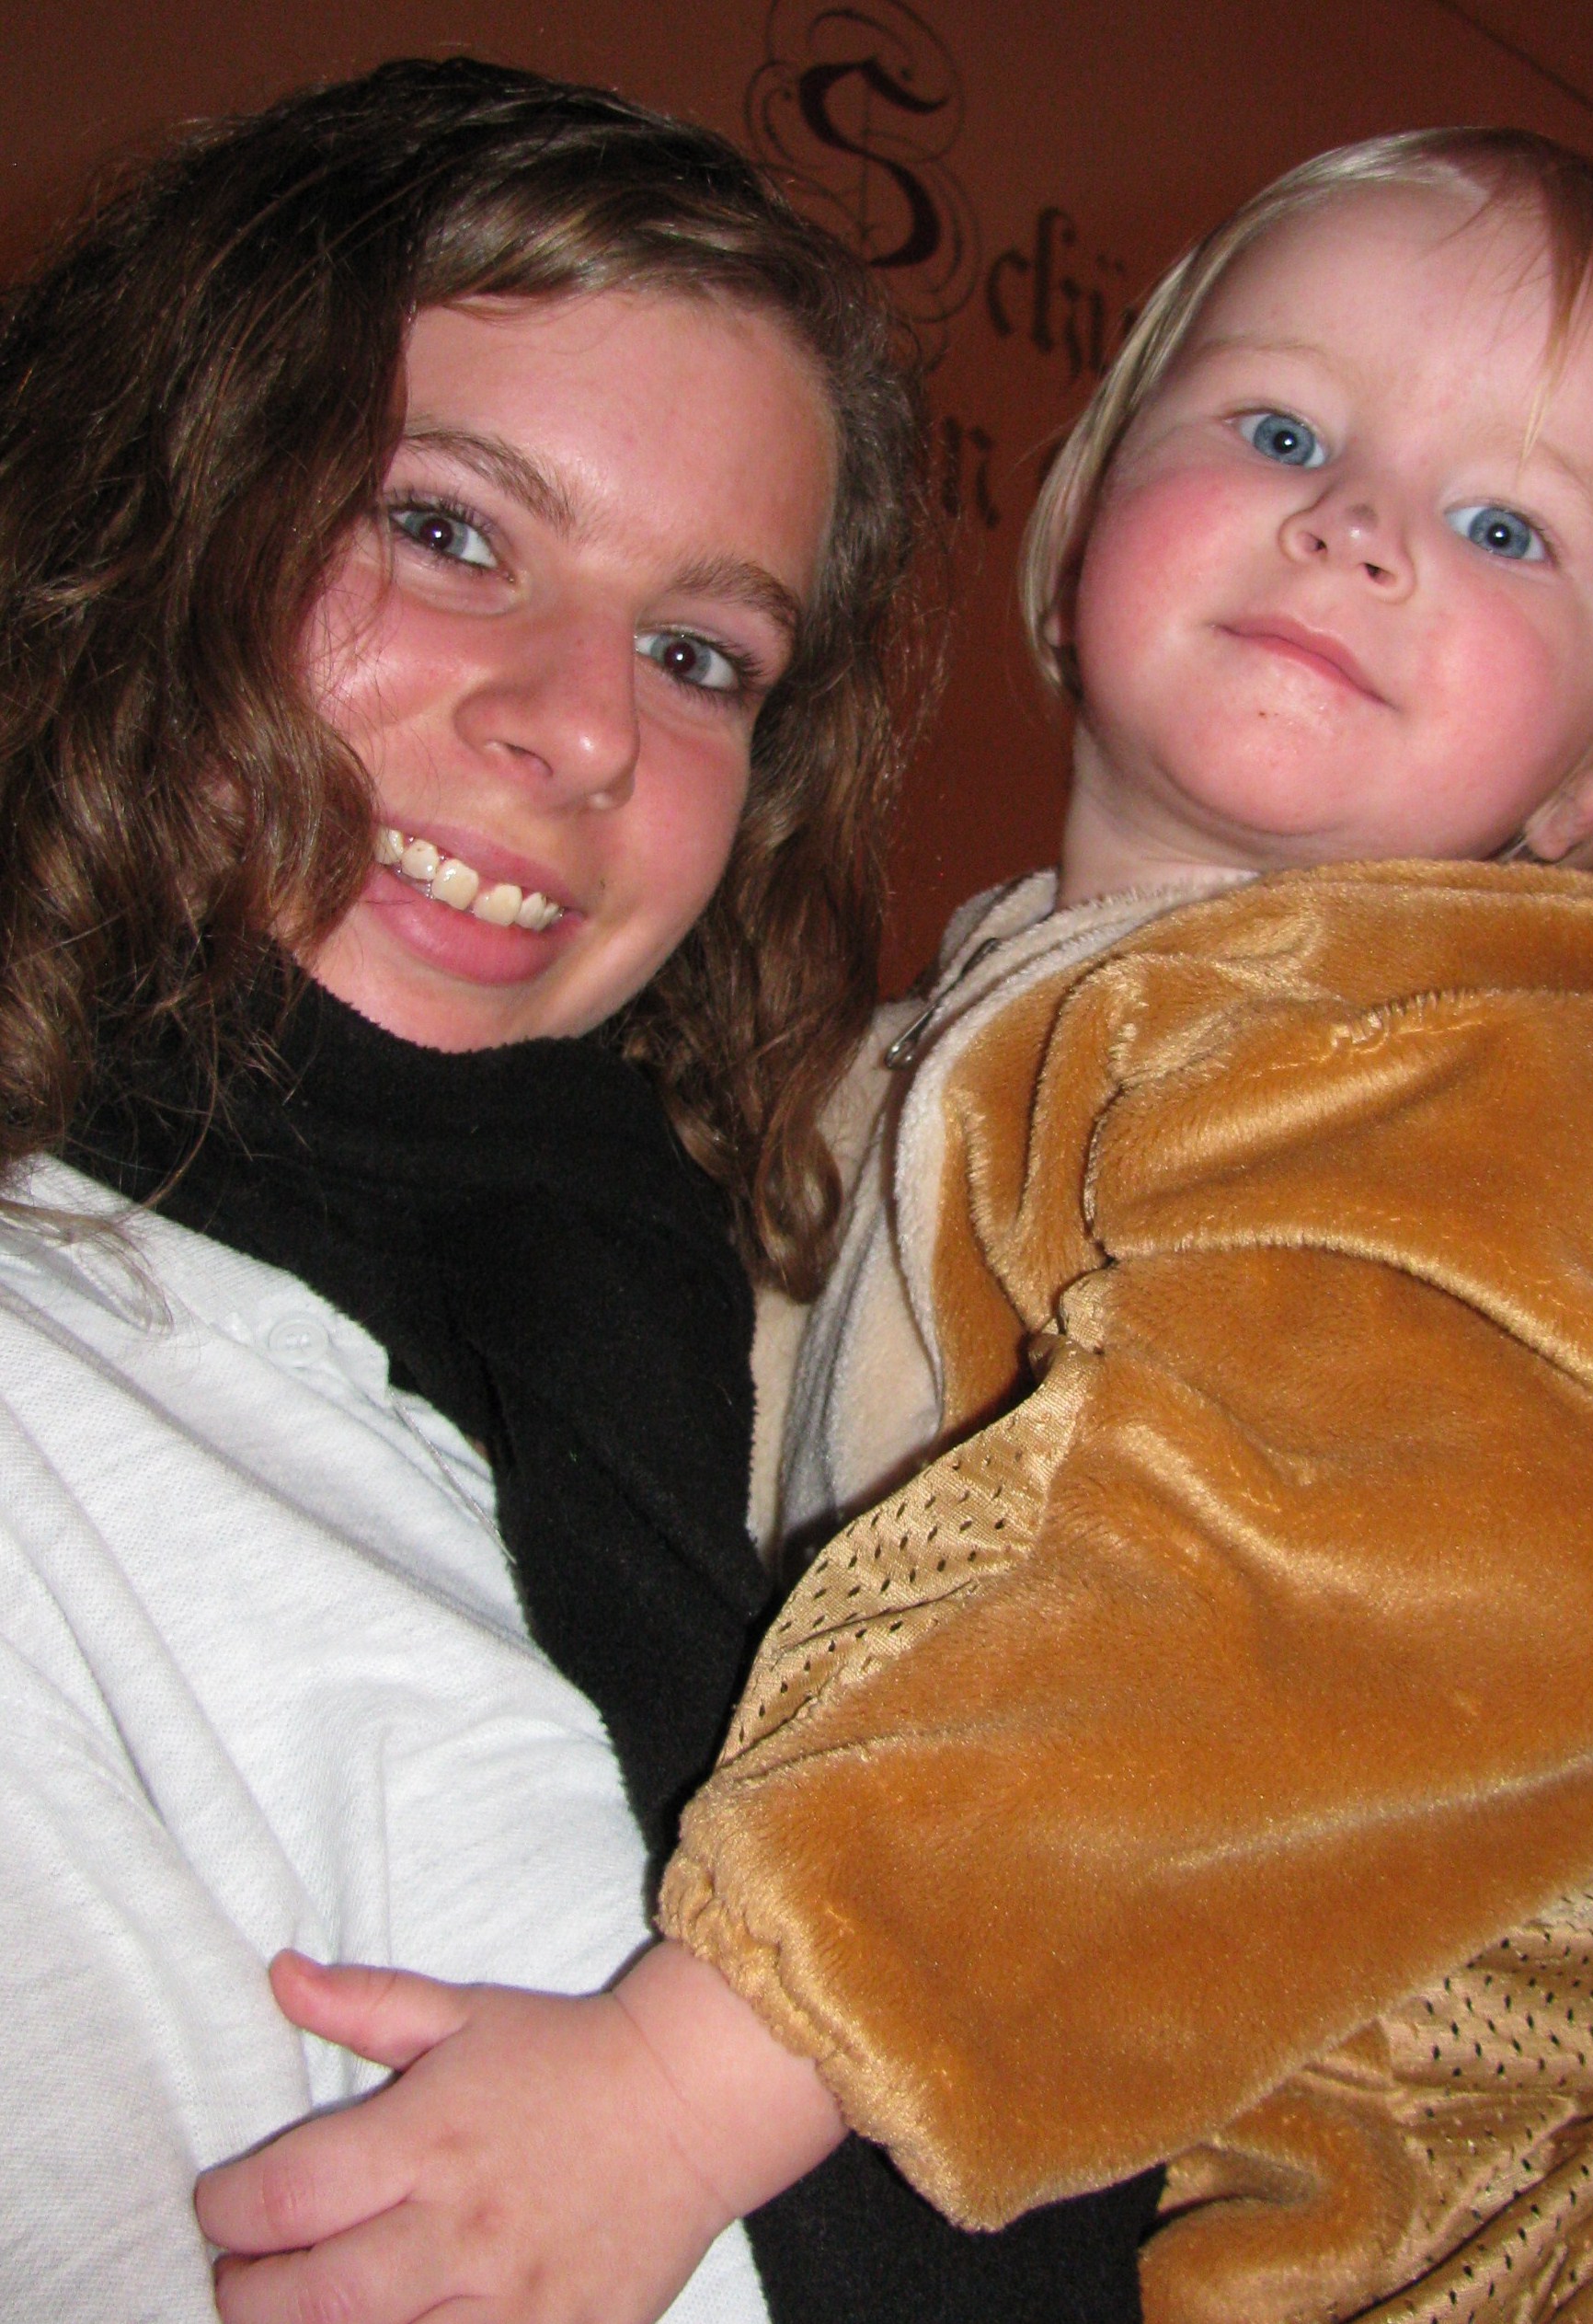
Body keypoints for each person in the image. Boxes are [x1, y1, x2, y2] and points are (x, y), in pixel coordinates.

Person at [200, 129, 1593, 2324]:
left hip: (1430, 2224)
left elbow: (1262, 1596)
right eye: (1282, 432)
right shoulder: (899, 1058)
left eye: (1506, 530)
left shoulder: (1504, 1082)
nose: (1359, 528)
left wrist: (690, 2089)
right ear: (1077, 527)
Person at [0, 58, 1161, 2324]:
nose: (591, 727)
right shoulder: (62, 1393)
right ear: (155, 506)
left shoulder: (743, 1357)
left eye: (700, 653)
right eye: (449, 532)